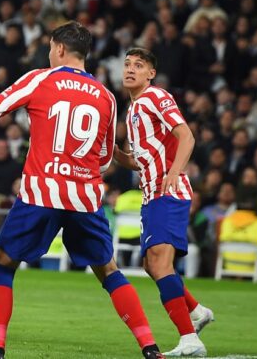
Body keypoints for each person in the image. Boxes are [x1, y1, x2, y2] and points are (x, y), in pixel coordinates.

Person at [0, 22, 166, 359]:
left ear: (58, 49)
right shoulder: (105, 96)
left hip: (40, 193)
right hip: (84, 197)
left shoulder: (40, 78)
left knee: (4, 265)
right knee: (108, 271)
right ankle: (150, 346)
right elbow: (103, 159)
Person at [112, 47, 213, 357]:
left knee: (159, 262)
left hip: (167, 190)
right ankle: (196, 312)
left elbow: (186, 136)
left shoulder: (156, 97)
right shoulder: (132, 110)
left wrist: (174, 172)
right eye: (127, 64)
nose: (130, 69)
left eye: (138, 65)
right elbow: (139, 161)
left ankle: (190, 339)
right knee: (151, 265)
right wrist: (114, 153)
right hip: (151, 193)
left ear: (151, 74)